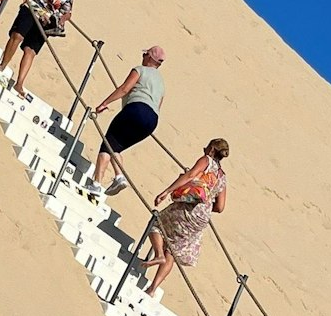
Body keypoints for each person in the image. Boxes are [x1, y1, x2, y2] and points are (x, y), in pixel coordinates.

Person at [142, 139, 229, 294]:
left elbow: (190, 175)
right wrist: (206, 205)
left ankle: (158, 254)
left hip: (188, 209)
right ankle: (152, 288)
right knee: (173, 252)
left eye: (207, 147)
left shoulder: (206, 160)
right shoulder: (222, 176)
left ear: (212, 149)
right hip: (202, 219)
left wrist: (167, 191)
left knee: (156, 223)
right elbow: (220, 207)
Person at [91, 47, 166, 196]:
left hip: (136, 109)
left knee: (107, 144)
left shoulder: (140, 70)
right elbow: (158, 106)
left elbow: (125, 89)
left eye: (145, 54)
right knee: (115, 146)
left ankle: (96, 184)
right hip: (152, 121)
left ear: (150, 58)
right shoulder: (161, 84)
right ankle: (119, 176)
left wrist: (105, 103)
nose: (143, 56)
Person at [0, 0, 77, 97]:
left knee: (31, 50)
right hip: (31, 8)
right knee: (17, 36)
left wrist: (62, 20)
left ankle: (19, 83)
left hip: (46, 20)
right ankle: (2, 65)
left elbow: (67, 13)